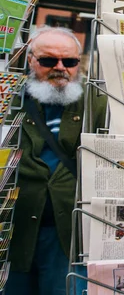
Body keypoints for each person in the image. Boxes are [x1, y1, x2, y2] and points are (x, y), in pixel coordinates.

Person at [6, 27, 107, 295]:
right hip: (15, 230)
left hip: (68, 233)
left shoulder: (96, 103)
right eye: (49, 61)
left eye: (70, 62)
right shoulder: (11, 98)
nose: (60, 68)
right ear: (31, 61)